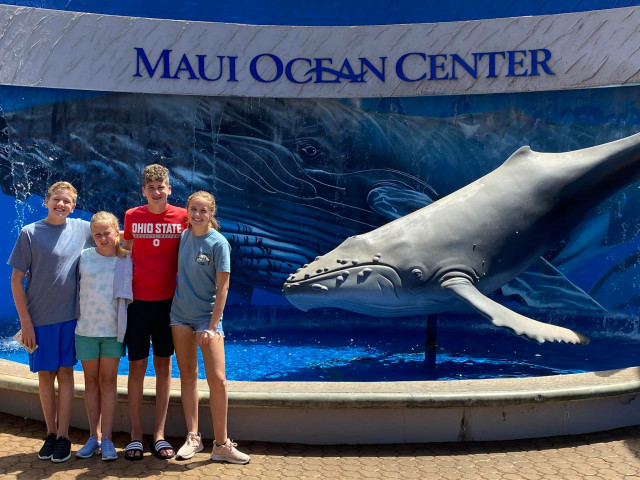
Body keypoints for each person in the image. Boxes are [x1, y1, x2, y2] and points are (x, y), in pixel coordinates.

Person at [8, 181, 92, 463]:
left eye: (67, 201)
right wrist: (26, 322)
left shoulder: (82, 228)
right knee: (46, 377)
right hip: (39, 320)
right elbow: (16, 280)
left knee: (66, 374)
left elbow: (112, 234)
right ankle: (50, 433)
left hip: (70, 318)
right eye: (57, 199)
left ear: (74, 205)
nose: (62, 205)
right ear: (46, 201)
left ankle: (65, 437)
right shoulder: (29, 233)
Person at [171, 191, 250, 464]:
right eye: (193, 209)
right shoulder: (182, 237)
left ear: (211, 213)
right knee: (188, 377)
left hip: (208, 320)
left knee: (218, 380)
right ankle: (193, 437)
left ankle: (222, 444)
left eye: (203, 211)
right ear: (187, 210)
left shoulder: (219, 243)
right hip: (179, 316)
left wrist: (213, 327)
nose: (197, 215)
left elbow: (224, 287)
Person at [122, 164, 187, 460]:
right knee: (136, 368)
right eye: (151, 188)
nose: (157, 192)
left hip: (168, 304)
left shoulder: (183, 217)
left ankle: (159, 435)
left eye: (161, 187)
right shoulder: (133, 217)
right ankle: (136, 435)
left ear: (169, 189)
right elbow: (124, 252)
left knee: (164, 367)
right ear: (143, 191)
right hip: (137, 304)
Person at [75, 212, 132, 461]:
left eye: (107, 233)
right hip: (85, 330)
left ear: (116, 231)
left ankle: (107, 438)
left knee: (108, 383)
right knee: (91, 384)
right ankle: (93, 437)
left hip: (112, 332)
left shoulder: (126, 259)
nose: (102, 238)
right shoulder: (84, 257)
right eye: (97, 235)